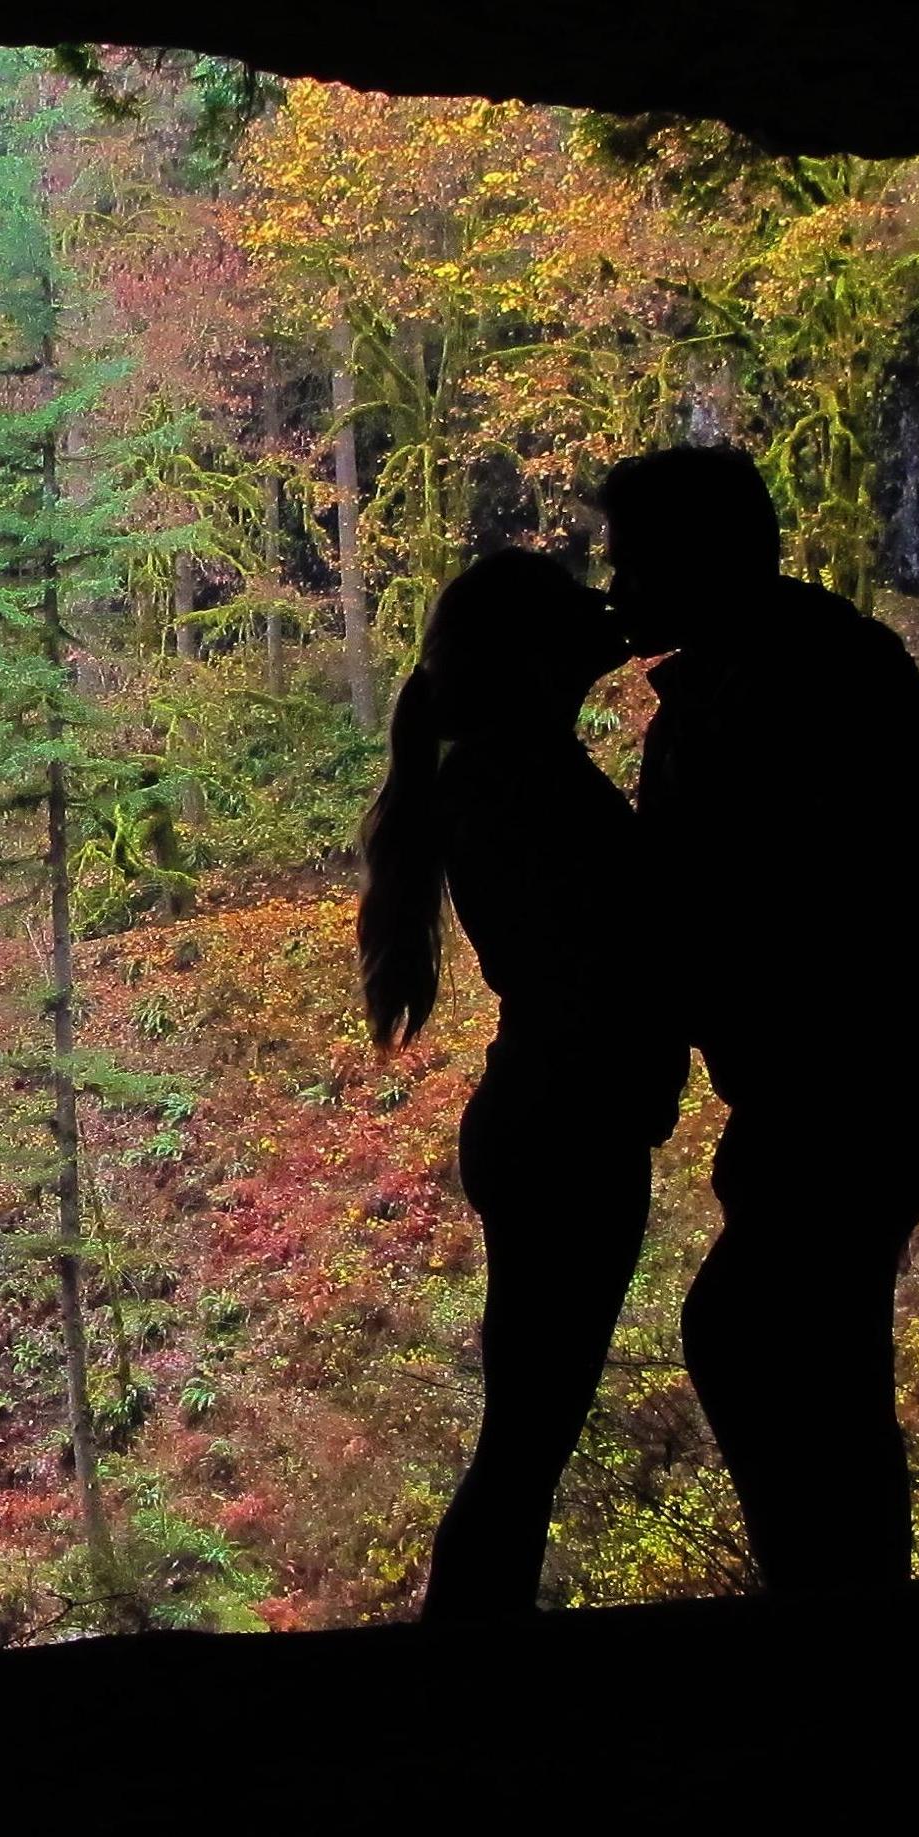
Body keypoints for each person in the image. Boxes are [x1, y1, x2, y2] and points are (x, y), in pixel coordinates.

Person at [600, 446, 919, 1592]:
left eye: (632, 561)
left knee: (764, 1336)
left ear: (695, 558)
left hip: (854, 1073)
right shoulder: (760, 675)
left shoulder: (796, 680)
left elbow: (757, 890)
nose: (615, 586)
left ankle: (833, 1613)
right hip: (841, 1073)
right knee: (802, 1346)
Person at [360, 549, 686, 1620]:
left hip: (542, 1114)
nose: (605, 609)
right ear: (529, 651)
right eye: (573, 609)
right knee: (523, 1449)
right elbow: (618, 941)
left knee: (524, 1443)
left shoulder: (492, 768)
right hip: (566, 1125)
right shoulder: (517, 776)